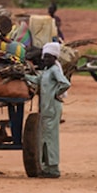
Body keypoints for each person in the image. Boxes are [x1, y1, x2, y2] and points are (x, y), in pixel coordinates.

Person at [28, 42, 69, 178]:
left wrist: (56, 94)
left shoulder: (55, 71)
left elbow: (65, 83)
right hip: (46, 108)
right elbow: (36, 79)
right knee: (44, 138)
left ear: (54, 58)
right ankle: (46, 167)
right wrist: (23, 76)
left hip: (52, 107)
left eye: (48, 57)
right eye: (44, 57)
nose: (45, 60)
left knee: (51, 138)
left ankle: (53, 169)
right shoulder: (46, 71)